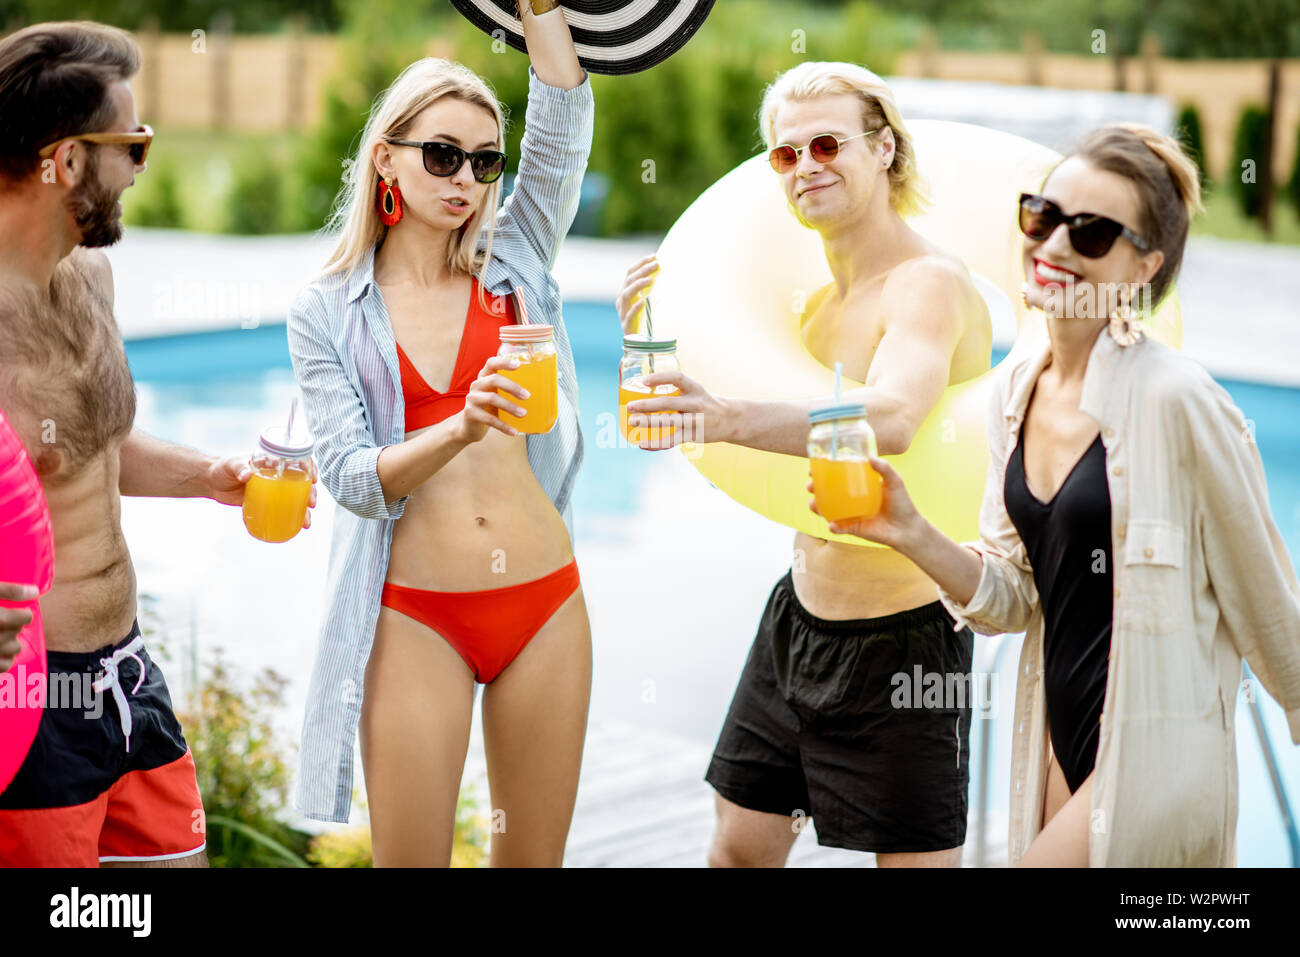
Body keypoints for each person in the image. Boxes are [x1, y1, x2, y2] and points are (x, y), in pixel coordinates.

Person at [820, 123, 1300, 866]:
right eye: (1042, 216)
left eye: (1094, 231)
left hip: (1152, 759)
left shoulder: (1180, 402)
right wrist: (909, 529)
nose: (1054, 246)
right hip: (1050, 745)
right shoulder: (1017, 386)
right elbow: (1011, 595)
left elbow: (1272, 615)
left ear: (1145, 265)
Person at [615, 61, 991, 866]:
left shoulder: (927, 284)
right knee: (738, 851)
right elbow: (717, 420)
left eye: (828, 143)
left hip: (905, 643)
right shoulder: (815, 311)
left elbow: (891, 418)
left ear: (883, 147)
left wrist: (726, 415)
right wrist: (647, 336)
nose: (807, 166)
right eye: (787, 155)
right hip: (796, 618)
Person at [0, 21, 313, 867]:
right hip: (34, 706)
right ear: (65, 161)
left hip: (129, 675)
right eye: (132, 147)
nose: (143, 167)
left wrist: (208, 475)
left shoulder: (90, 280)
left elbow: (99, 444)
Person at [288, 1, 592, 866]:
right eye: (443, 154)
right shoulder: (328, 310)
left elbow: (565, 119)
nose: (466, 178)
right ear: (386, 156)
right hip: (416, 617)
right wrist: (462, 425)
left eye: (485, 160)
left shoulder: (517, 255)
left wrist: (539, 9)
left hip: (546, 603)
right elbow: (350, 477)